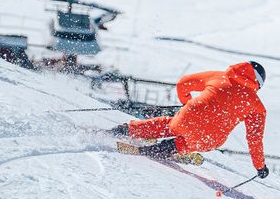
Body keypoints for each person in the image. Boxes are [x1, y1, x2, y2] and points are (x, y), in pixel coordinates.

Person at [110, 61, 269, 177]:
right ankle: (166, 148)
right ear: (258, 84)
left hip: (188, 117)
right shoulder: (257, 107)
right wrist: (260, 167)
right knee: (191, 141)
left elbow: (182, 83)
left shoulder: (219, 76)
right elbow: (254, 140)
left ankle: (127, 130)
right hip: (209, 138)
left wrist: (186, 103)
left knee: (169, 125)